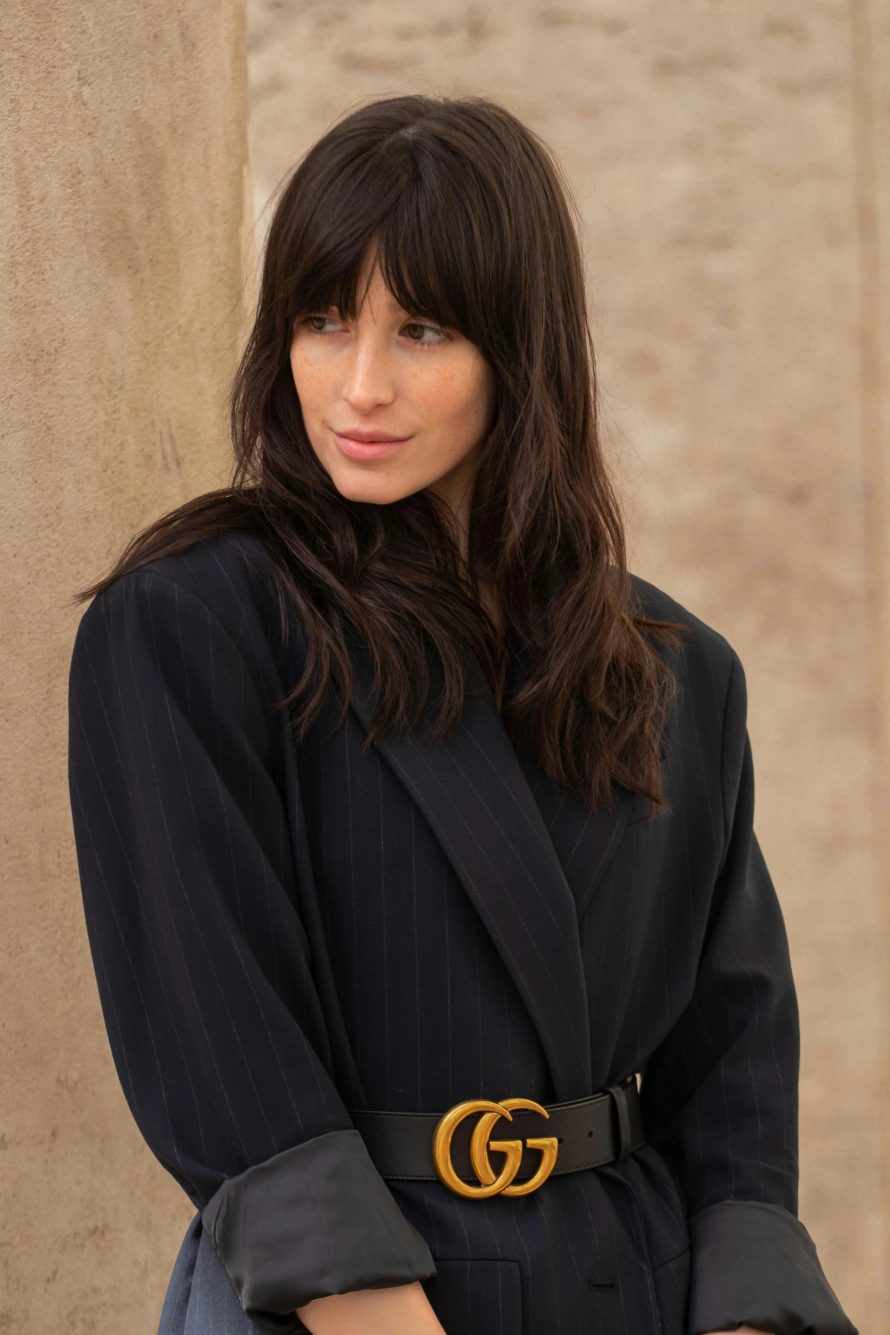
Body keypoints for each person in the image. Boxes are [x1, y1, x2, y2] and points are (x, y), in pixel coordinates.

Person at [68, 96, 855, 1335]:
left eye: (421, 327)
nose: (359, 385)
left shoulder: (677, 670)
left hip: (629, 1289)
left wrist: (748, 1316)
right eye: (322, 320)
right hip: (344, 1305)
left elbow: (733, 1060)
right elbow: (225, 1057)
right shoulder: (191, 627)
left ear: (517, 351)